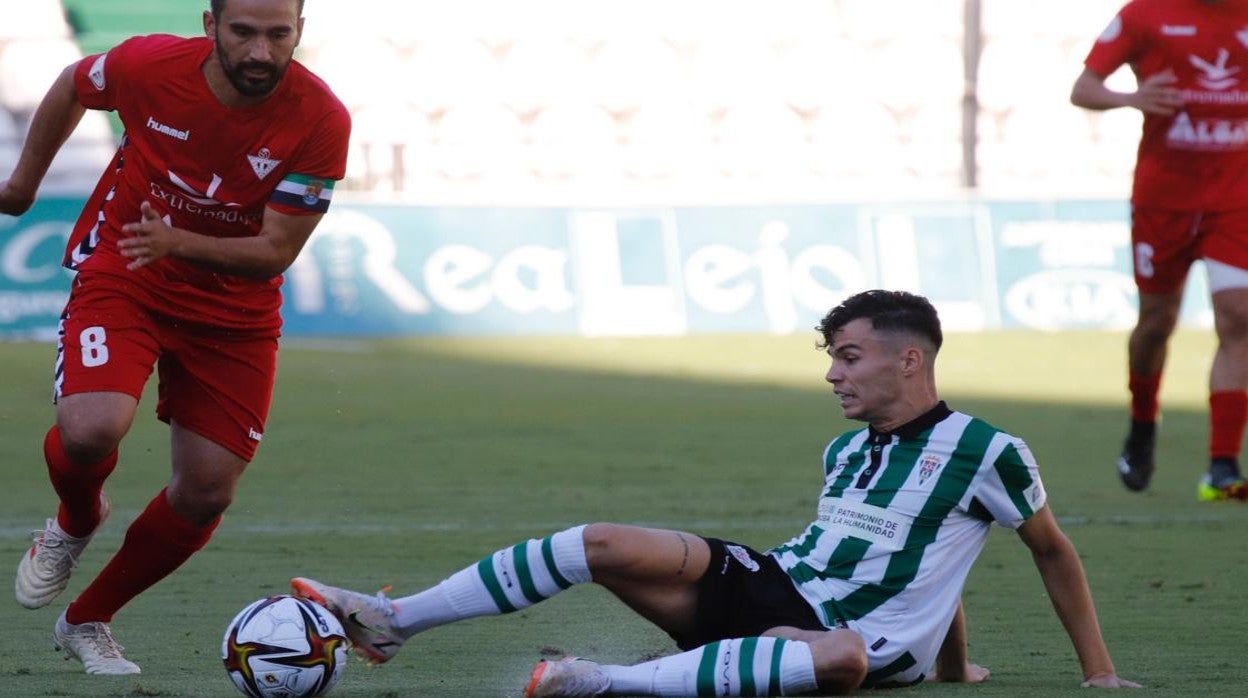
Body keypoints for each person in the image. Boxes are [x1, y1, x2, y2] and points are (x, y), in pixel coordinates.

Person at [291, 290, 1140, 696]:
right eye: (831, 360)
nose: (835, 375)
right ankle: (394, 622)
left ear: (908, 359)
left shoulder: (986, 450)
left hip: (850, 643)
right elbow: (925, 566)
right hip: (778, 586)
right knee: (601, 540)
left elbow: (1049, 552)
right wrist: (959, 669)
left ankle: (606, 685)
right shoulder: (845, 452)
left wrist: (1097, 674)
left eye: (848, 356)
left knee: (839, 658)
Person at [0, 0, 349, 675]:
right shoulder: (149, 66)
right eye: (244, 33)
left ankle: (87, 620)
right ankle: (76, 518)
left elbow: (276, 250)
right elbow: (76, 81)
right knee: (92, 429)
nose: (260, 53)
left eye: (279, 35)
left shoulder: (321, 118)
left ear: (299, 33)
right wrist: (21, 184)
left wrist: (177, 240)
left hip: (235, 312)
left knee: (207, 491)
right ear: (209, 25)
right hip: (128, 266)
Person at [1070, 0, 1248, 501]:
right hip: (1163, 201)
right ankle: (1143, 423)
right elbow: (1083, 89)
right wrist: (1132, 97)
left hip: (1236, 202)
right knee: (1156, 324)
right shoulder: (1145, 14)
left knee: (1238, 317)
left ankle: (1221, 464)